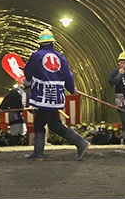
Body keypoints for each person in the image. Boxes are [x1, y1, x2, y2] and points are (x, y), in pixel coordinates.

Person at [23, 29, 90, 161]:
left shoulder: (36, 56)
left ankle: (81, 142)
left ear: (40, 44)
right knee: (39, 122)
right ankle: (38, 153)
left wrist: (27, 75)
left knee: (54, 124)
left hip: (43, 94)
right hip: (56, 94)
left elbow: (28, 74)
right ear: (52, 43)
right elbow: (68, 75)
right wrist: (71, 89)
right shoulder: (61, 57)